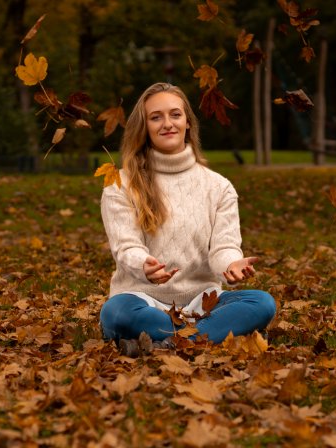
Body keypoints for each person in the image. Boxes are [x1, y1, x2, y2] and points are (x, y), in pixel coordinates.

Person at [99, 82, 276, 351]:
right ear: (144, 127)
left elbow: (224, 247)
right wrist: (144, 264)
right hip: (142, 299)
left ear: (188, 123)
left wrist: (231, 264)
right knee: (116, 312)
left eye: (175, 114)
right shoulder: (121, 184)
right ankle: (196, 337)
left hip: (202, 303)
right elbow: (125, 246)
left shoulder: (219, 187)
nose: (167, 123)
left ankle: (169, 340)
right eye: (156, 117)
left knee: (262, 303)